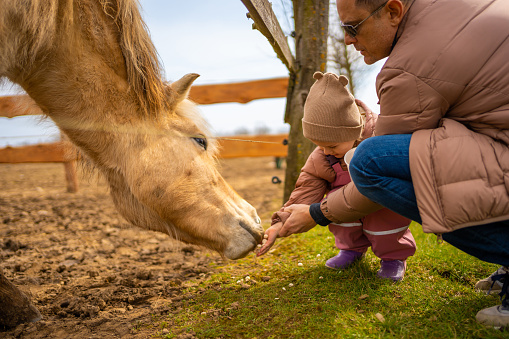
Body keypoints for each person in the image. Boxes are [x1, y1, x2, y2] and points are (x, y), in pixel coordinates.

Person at [274, 0, 509, 327]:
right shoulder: (451, 12)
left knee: (367, 160)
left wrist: (316, 213)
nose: (346, 40)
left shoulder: (409, 67)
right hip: (497, 142)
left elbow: (381, 167)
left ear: (393, 11)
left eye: (352, 27)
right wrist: (290, 210)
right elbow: (310, 178)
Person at [258, 71, 416, 281]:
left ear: (353, 132)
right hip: (343, 207)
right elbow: (305, 189)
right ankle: (351, 250)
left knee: (385, 225)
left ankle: (393, 258)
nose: (324, 151)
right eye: (319, 146)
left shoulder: (381, 139)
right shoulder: (323, 156)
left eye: (331, 145)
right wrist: (280, 223)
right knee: (340, 219)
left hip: (380, 206)